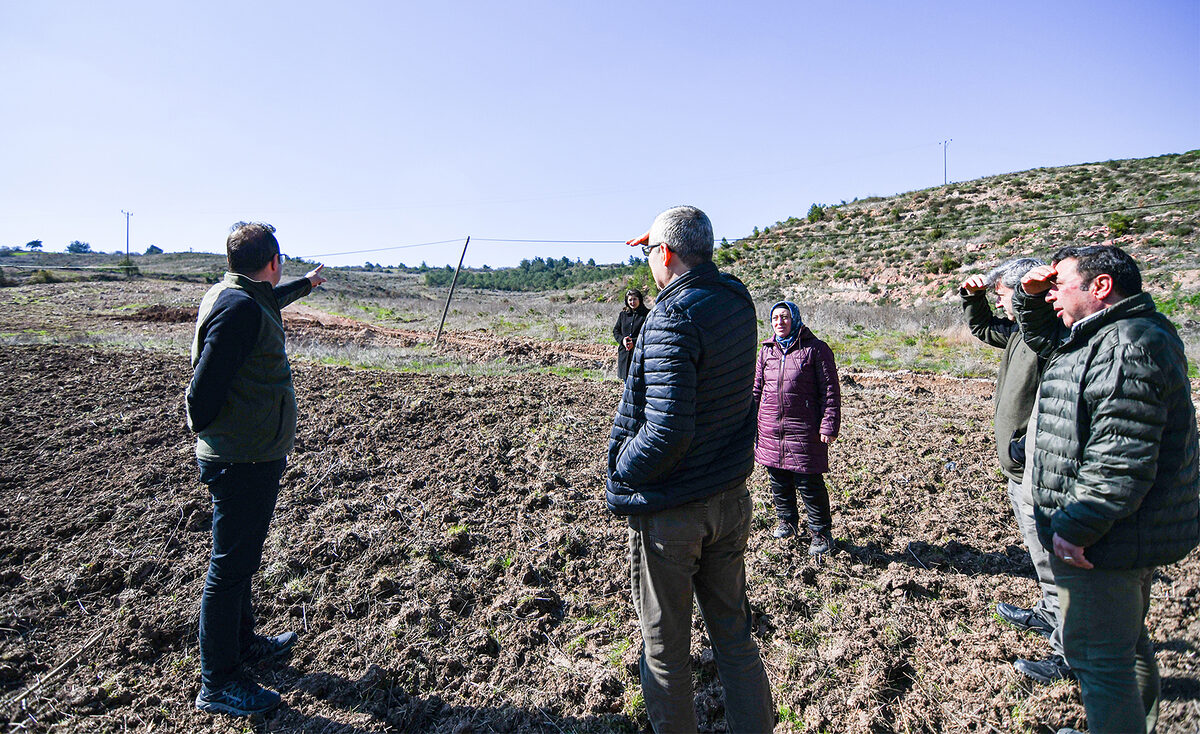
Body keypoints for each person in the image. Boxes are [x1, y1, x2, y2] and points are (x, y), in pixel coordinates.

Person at [1015, 244, 1199, 734]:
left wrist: (1077, 527)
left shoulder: (1125, 345)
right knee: (1126, 644)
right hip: (1120, 533)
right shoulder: (1104, 335)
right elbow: (1043, 340)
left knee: (1099, 661)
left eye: (1060, 284)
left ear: (1100, 287)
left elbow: (1120, 456)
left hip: (1103, 539)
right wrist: (1029, 296)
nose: (1052, 292)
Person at [608, 206, 774, 733]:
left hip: (674, 514)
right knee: (734, 638)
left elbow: (666, 432)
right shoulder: (736, 300)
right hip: (729, 500)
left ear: (665, 255)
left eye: (652, 253)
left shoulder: (670, 318)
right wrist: (659, 241)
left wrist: (622, 476)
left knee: (665, 655)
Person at [186, 222, 327, 717]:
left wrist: (307, 284)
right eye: (282, 262)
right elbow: (201, 396)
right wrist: (216, 434)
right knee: (229, 568)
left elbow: (270, 301)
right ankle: (218, 681)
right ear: (273, 261)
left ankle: (244, 645)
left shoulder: (241, 295)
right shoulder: (240, 308)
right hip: (240, 458)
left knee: (241, 560)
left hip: (248, 453)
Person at [960, 258, 1074, 682]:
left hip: (1034, 463)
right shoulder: (1019, 332)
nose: (1002, 305)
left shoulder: (1050, 337)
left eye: (1003, 296)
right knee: (1039, 554)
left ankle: (1066, 651)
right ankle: (1048, 614)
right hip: (1017, 466)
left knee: (1054, 559)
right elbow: (984, 328)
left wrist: (1026, 445)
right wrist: (972, 299)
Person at [753, 300, 841, 553]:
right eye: (775, 318)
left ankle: (821, 534)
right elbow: (757, 389)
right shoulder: (766, 350)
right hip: (770, 428)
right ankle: (787, 522)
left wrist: (829, 425)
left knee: (809, 483)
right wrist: (748, 421)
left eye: (785, 317)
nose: (779, 322)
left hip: (804, 429)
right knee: (778, 480)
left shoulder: (816, 349)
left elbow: (830, 391)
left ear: (795, 319)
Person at [612, 288, 650, 381]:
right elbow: (616, 331)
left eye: (634, 299)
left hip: (640, 354)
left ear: (639, 299)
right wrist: (623, 340)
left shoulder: (647, 314)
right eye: (630, 300)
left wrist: (634, 341)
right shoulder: (623, 314)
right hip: (625, 354)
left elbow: (649, 334)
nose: (632, 302)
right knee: (627, 384)